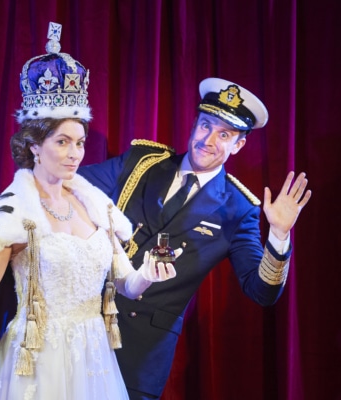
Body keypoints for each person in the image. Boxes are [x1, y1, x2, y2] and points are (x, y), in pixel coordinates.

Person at [0, 22, 182, 400]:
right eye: (62, 142)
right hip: (35, 362)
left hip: (93, 358)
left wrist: (147, 274)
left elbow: (126, 284)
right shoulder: (13, 212)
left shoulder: (97, 207)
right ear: (34, 145)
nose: (75, 153)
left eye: (79, 142)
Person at [79, 77, 312, 399]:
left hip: (142, 351)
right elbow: (73, 185)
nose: (209, 140)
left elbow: (262, 292)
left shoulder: (237, 209)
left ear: (238, 145)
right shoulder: (142, 163)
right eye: (206, 125)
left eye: (225, 134)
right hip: (84, 322)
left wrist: (279, 234)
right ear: (194, 125)